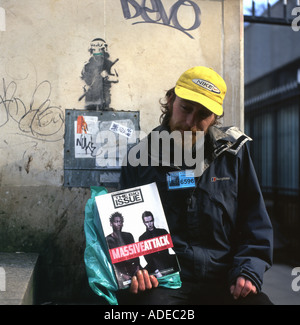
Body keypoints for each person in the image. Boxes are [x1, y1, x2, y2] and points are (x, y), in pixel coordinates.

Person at [118, 66, 273, 305]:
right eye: (186, 108)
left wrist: (248, 271)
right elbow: (124, 232)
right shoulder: (139, 159)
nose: (190, 122)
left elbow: (255, 222)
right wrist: (135, 270)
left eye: (203, 115)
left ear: (214, 118)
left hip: (225, 280)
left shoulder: (233, 156)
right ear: (170, 101)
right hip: (164, 282)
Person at [139, 211, 178, 277]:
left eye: (151, 221)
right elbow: (147, 258)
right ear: (144, 223)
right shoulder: (142, 238)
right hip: (154, 265)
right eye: (147, 222)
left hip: (167, 260)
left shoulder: (163, 232)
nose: (150, 224)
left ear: (153, 220)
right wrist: (156, 271)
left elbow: (174, 248)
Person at [106, 212, 140, 287]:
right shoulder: (108, 240)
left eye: (121, 222)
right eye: (116, 221)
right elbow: (110, 262)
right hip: (120, 273)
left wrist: (137, 268)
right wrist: (121, 274)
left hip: (134, 269)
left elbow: (136, 254)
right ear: (111, 224)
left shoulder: (129, 235)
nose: (119, 224)